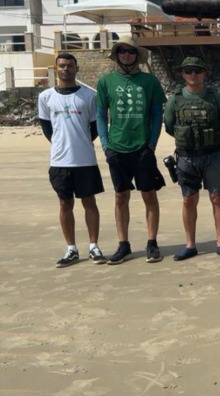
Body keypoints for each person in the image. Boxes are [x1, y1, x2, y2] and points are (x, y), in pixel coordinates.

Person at [96, 36, 167, 265]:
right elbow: (100, 115)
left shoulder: (150, 81)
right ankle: (123, 244)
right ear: (116, 55)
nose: (126, 55)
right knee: (121, 196)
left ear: (137, 55)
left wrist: (152, 144)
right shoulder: (106, 81)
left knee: (149, 195)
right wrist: (105, 144)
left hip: (142, 147)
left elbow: (157, 115)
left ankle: (152, 242)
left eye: (131, 51)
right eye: (122, 51)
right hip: (116, 148)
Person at [163, 57, 220, 261]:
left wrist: (212, 138)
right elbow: (169, 125)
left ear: (204, 73)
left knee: (217, 197)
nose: (193, 74)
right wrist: (189, 139)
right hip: (187, 156)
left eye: (197, 70)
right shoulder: (175, 99)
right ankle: (190, 244)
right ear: (182, 74)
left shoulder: (215, 97)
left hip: (213, 154)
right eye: (188, 71)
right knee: (188, 199)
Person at [38, 53, 105, 267]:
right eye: (62, 66)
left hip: (85, 160)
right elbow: (47, 129)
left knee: (89, 202)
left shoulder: (89, 96)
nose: (65, 69)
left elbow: (94, 127)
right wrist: (62, 144)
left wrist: (80, 142)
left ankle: (93, 246)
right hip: (59, 161)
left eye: (69, 66)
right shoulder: (46, 97)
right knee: (64, 203)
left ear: (76, 68)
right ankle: (71, 248)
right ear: (56, 69)